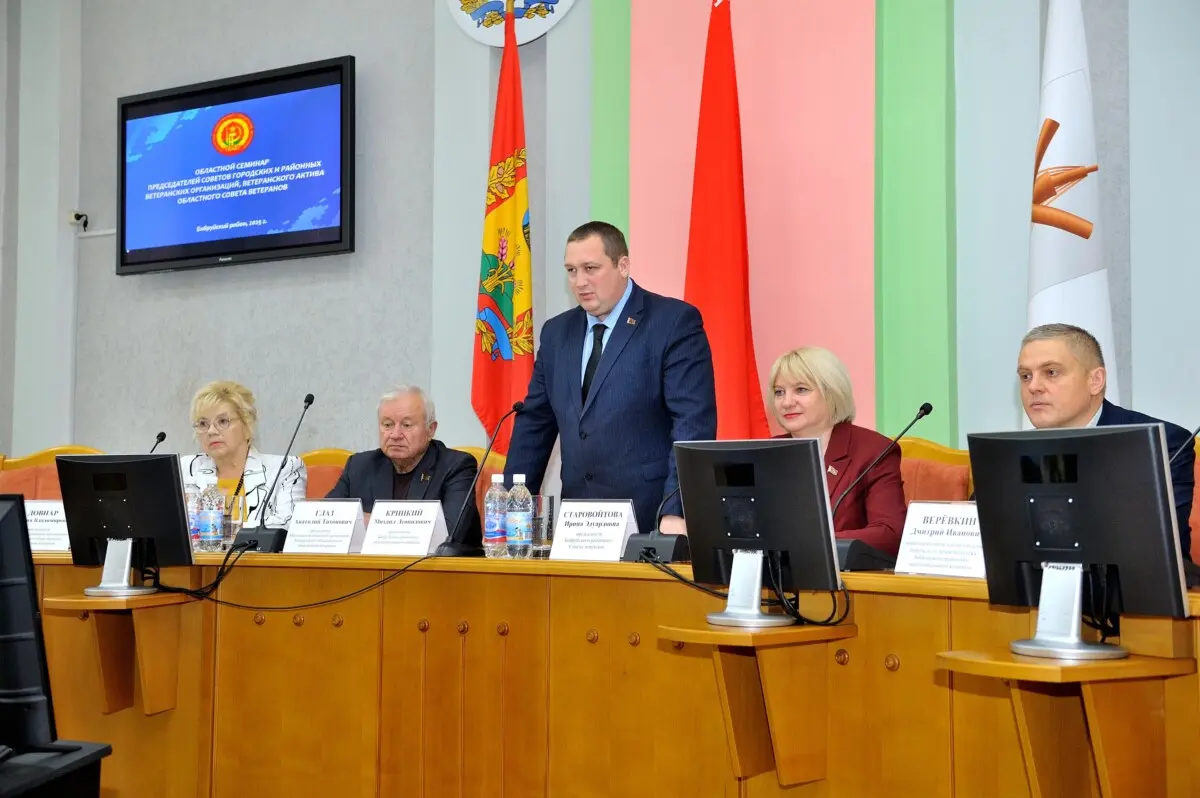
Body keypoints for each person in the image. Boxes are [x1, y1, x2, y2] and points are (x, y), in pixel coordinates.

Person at [504, 220, 717, 536]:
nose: (580, 282)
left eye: (590, 268)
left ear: (623, 266)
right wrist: (510, 509)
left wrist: (675, 510)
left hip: (651, 517)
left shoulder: (673, 322)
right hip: (579, 522)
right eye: (571, 271)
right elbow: (534, 424)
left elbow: (692, 425)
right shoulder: (556, 333)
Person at [1017, 323, 1195, 558]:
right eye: (1025, 376)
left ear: (1095, 380)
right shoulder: (1013, 451)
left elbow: (1164, 550)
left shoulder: (1162, 443)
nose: (1033, 387)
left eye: (1051, 372)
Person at [769, 346, 908, 555]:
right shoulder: (767, 452)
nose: (786, 402)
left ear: (831, 392)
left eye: (801, 390)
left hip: (842, 573)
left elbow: (889, 533)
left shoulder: (873, 451)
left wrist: (814, 542)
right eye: (779, 392)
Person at [326, 385, 481, 547]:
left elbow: (451, 533)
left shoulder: (456, 466)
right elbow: (326, 521)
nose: (395, 435)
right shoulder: (359, 466)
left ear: (430, 430)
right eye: (387, 425)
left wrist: (368, 522)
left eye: (407, 425)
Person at [181, 380, 307, 528]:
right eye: (203, 424)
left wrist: (224, 529)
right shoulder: (184, 469)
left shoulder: (285, 469)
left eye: (223, 421)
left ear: (247, 425)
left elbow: (289, 525)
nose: (211, 431)